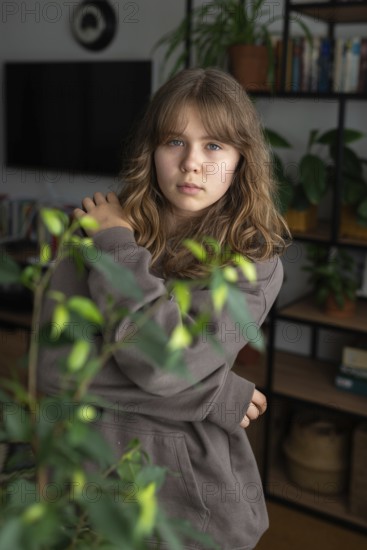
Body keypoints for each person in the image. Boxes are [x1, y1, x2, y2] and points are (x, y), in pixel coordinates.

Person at [38, 68, 289, 549]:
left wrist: (117, 250)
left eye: (214, 146)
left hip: (195, 504)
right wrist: (214, 396)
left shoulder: (253, 263)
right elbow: (55, 374)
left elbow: (161, 364)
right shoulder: (92, 233)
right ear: (151, 150)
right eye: (175, 141)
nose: (192, 163)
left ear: (241, 159)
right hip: (91, 491)